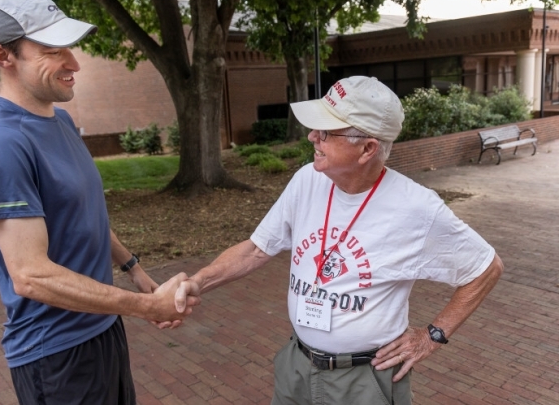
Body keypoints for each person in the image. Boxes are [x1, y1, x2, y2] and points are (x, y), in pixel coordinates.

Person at [174, 76, 504, 404]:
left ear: (367, 148)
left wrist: (432, 336)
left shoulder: (416, 207)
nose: (312, 137)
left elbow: (485, 268)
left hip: (363, 382)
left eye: (327, 132)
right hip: (298, 367)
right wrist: (199, 282)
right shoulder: (307, 180)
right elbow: (256, 249)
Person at [0, 0, 198, 405]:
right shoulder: (3, 142)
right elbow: (30, 275)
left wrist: (132, 267)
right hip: (56, 353)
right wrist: (147, 308)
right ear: (4, 57)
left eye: (69, 47)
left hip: (101, 327)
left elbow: (80, 213)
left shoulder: (60, 121)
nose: (73, 62)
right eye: (52, 50)